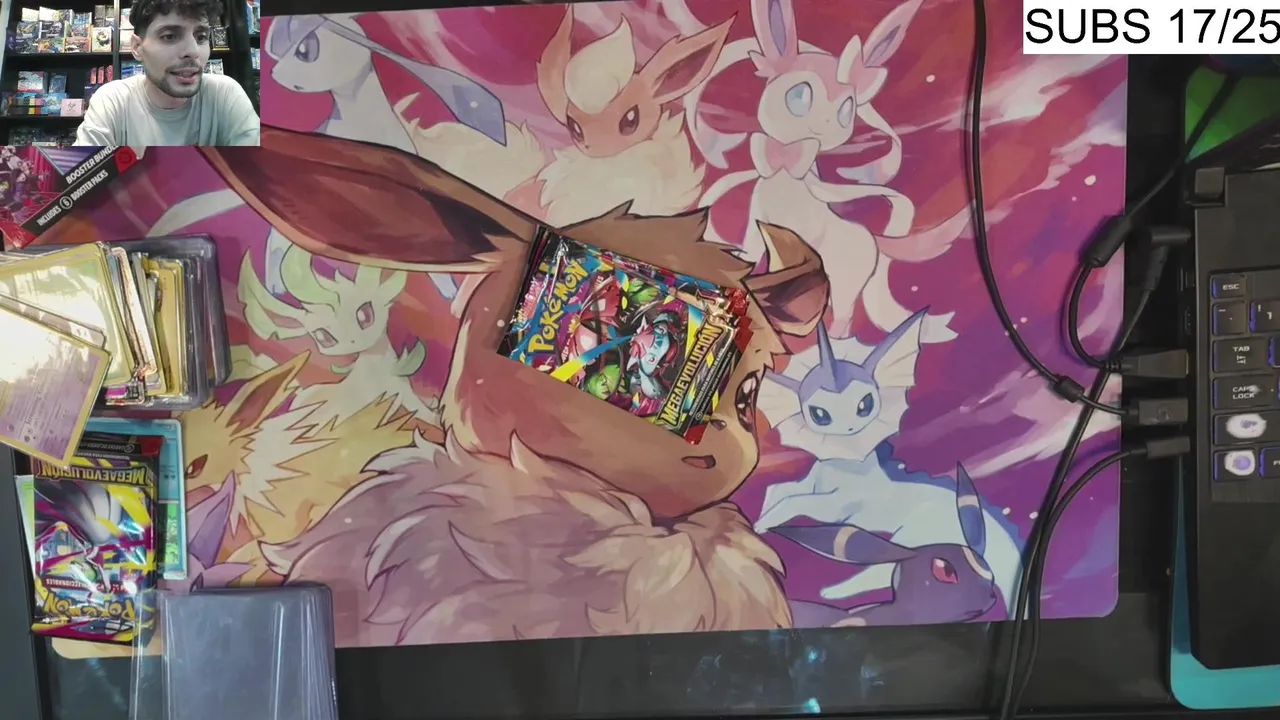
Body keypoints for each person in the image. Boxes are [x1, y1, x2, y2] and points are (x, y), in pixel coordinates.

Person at [74, 0, 259, 146]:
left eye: (201, 37)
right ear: (137, 47)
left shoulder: (225, 94)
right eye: (169, 36)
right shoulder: (112, 101)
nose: (193, 51)